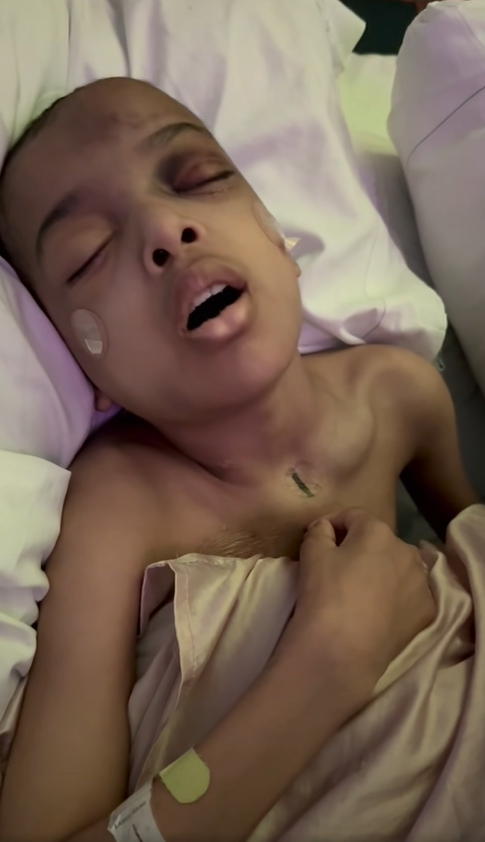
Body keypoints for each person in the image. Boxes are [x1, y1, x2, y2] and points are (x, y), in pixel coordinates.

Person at [0, 77, 475, 842]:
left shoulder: (399, 394)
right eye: (88, 254)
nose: (165, 227)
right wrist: (326, 665)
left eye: (198, 179)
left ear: (276, 236)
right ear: (81, 366)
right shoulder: (117, 509)